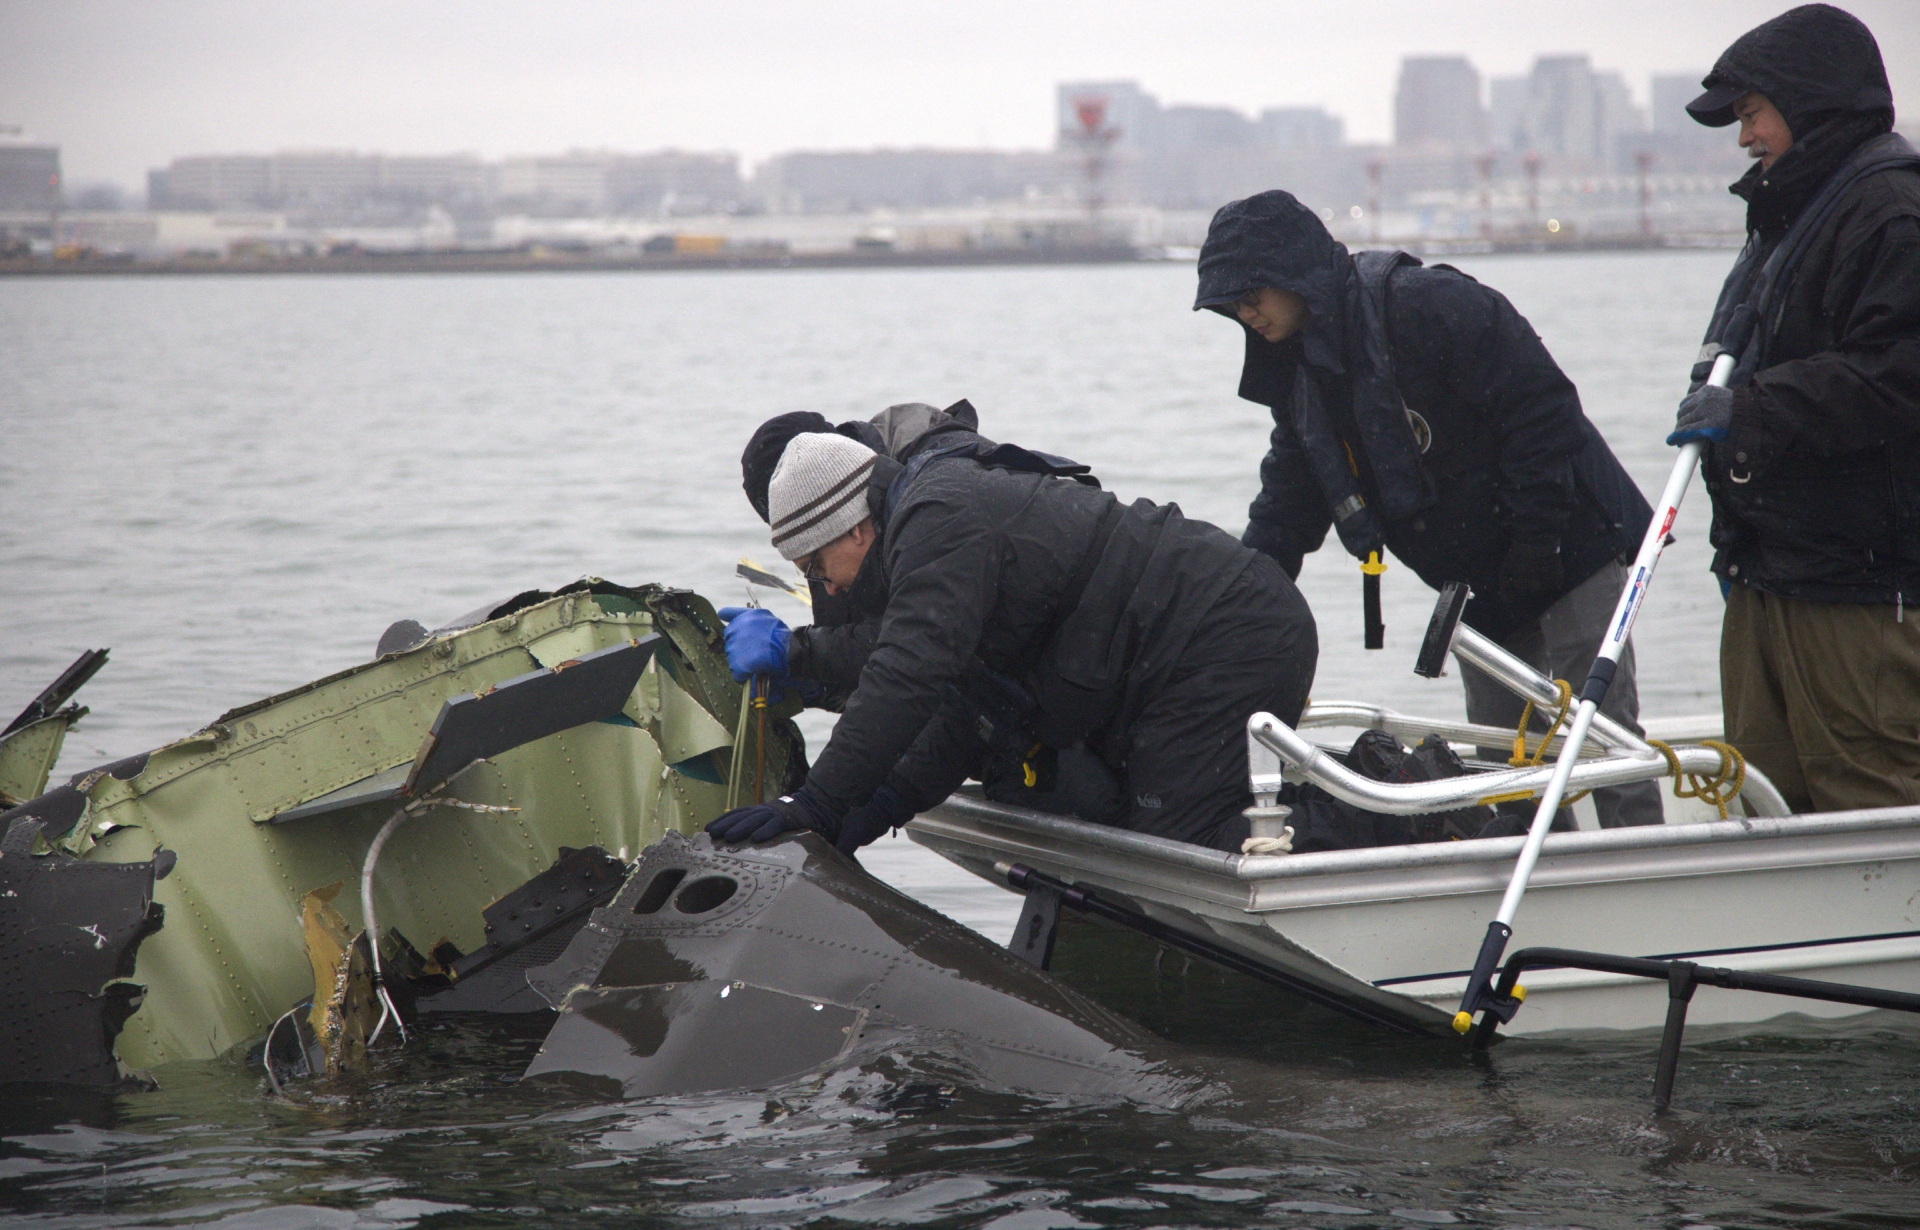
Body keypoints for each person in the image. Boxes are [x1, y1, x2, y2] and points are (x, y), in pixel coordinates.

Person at [1195, 189, 1663, 828]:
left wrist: (1537, 541)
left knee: (1606, 735)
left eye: (1251, 294)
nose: (1244, 312)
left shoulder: (1427, 305)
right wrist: (1236, 603)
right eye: (1230, 305)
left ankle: (1640, 871)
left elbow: (1544, 411)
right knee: (1503, 761)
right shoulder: (1300, 376)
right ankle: (1540, 881)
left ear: (1293, 275)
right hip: (1478, 578)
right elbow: (1287, 505)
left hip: (1570, 543)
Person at [705, 428, 1319, 854]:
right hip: (1184, 652)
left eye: (814, 566)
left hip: (1227, 631)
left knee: (1187, 843)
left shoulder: (938, 517)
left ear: (854, 527)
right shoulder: (919, 536)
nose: (825, 591)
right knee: (1134, 822)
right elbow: (967, 714)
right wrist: (875, 806)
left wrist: (816, 803)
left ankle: (1393, 820)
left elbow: (906, 675)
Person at [1669, 4, 1920, 813]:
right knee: (1757, 795)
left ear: (1808, 105)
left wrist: (1749, 410)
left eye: (1751, 114)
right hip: (1769, 571)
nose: (1744, 138)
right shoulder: (1786, 215)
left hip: (1856, 585)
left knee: (1868, 794)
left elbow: (1898, 373)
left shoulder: (1887, 211)